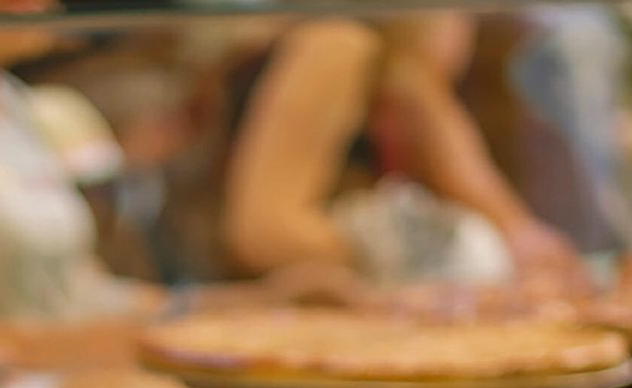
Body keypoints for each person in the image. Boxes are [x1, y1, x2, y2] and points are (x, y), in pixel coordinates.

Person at [219, 16, 582, 293]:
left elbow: (501, 214)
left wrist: (520, 242)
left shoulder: (408, 77)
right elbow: (263, 233)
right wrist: (401, 255)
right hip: (236, 319)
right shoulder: (339, 44)